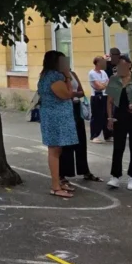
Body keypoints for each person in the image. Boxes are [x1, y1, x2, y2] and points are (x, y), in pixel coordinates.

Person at [37, 51, 80, 198]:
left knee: (57, 150)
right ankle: (55, 186)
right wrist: (67, 76)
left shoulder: (45, 76)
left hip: (53, 116)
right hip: (55, 117)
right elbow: (67, 94)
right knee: (54, 151)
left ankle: (58, 183)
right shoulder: (54, 77)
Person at [60, 63, 100, 184]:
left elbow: (81, 92)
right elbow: (65, 94)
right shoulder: (58, 77)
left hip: (76, 107)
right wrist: (71, 94)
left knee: (81, 140)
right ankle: (63, 173)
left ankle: (84, 170)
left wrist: (73, 94)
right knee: (66, 142)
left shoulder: (73, 74)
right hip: (65, 109)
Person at [106, 55, 132, 191]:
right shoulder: (114, 80)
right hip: (119, 115)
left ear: (129, 66)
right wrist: (109, 118)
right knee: (118, 146)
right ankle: (115, 176)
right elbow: (109, 101)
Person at [88, 57, 111, 143]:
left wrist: (103, 85)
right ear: (97, 63)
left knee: (106, 115)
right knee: (97, 116)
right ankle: (94, 135)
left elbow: (109, 82)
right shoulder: (92, 73)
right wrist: (104, 84)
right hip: (96, 96)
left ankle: (108, 135)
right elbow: (98, 87)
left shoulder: (103, 72)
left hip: (105, 95)